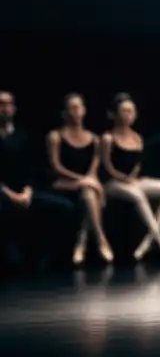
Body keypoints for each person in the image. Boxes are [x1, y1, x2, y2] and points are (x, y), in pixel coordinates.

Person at [101, 93, 160, 261]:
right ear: (115, 114)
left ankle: (148, 241)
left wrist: (133, 177)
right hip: (112, 183)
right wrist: (123, 178)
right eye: (124, 111)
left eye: (131, 111)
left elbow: (138, 165)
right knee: (136, 194)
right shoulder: (108, 138)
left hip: (133, 181)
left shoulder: (137, 138)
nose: (129, 115)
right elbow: (106, 166)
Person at [0, 91, 75, 271]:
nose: (4, 108)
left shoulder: (24, 135)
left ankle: (47, 258)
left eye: (7, 104)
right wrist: (10, 195)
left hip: (24, 191)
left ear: (14, 108)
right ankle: (10, 257)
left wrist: (27, 191)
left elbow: (32, 168)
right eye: (0, 104)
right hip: (3, 192)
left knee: (64, 206)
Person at [47, 93, 113, 265]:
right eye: (72, 108)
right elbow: (56, 166)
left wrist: (88, 180)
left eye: (79, 107)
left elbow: (94, 168)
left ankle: (82, 243)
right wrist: (82, 180)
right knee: (90, 190)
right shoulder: (55, 136)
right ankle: (101, 240)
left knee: (89, 195)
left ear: (84, 111)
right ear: (64, 112)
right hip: (63, 183)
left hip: (87, 186)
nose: (76, 112)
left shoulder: (94, 139)